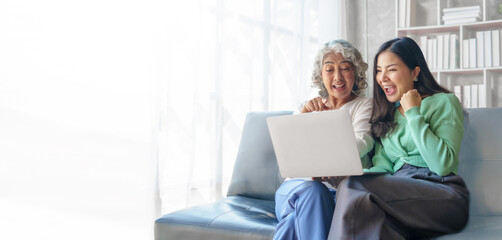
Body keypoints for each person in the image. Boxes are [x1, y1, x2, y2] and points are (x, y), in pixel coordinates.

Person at [327, 37, 469, 239]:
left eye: (391, 69)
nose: (382, 78)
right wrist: (345, 174)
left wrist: (413, 113)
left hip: (442, 193)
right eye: (378, 70)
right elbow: (382, 168)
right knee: (358, 197)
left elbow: (442, 165)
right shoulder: (387, 114)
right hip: (398, 196)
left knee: (354, 188)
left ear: (415, 72)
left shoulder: (444, 102)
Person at [273, 39, 374, 240]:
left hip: (333, 194)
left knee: (301, 213)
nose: (338, 77)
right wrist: (302, 117)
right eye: (329, 70)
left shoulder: (364, 106)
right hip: (294, 190)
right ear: (320, 75)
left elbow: (361, 143)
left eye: (345, 68)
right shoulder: (307, 106)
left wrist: (326, 165)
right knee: (312, 190)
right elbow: (288, 154)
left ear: (356, 73)